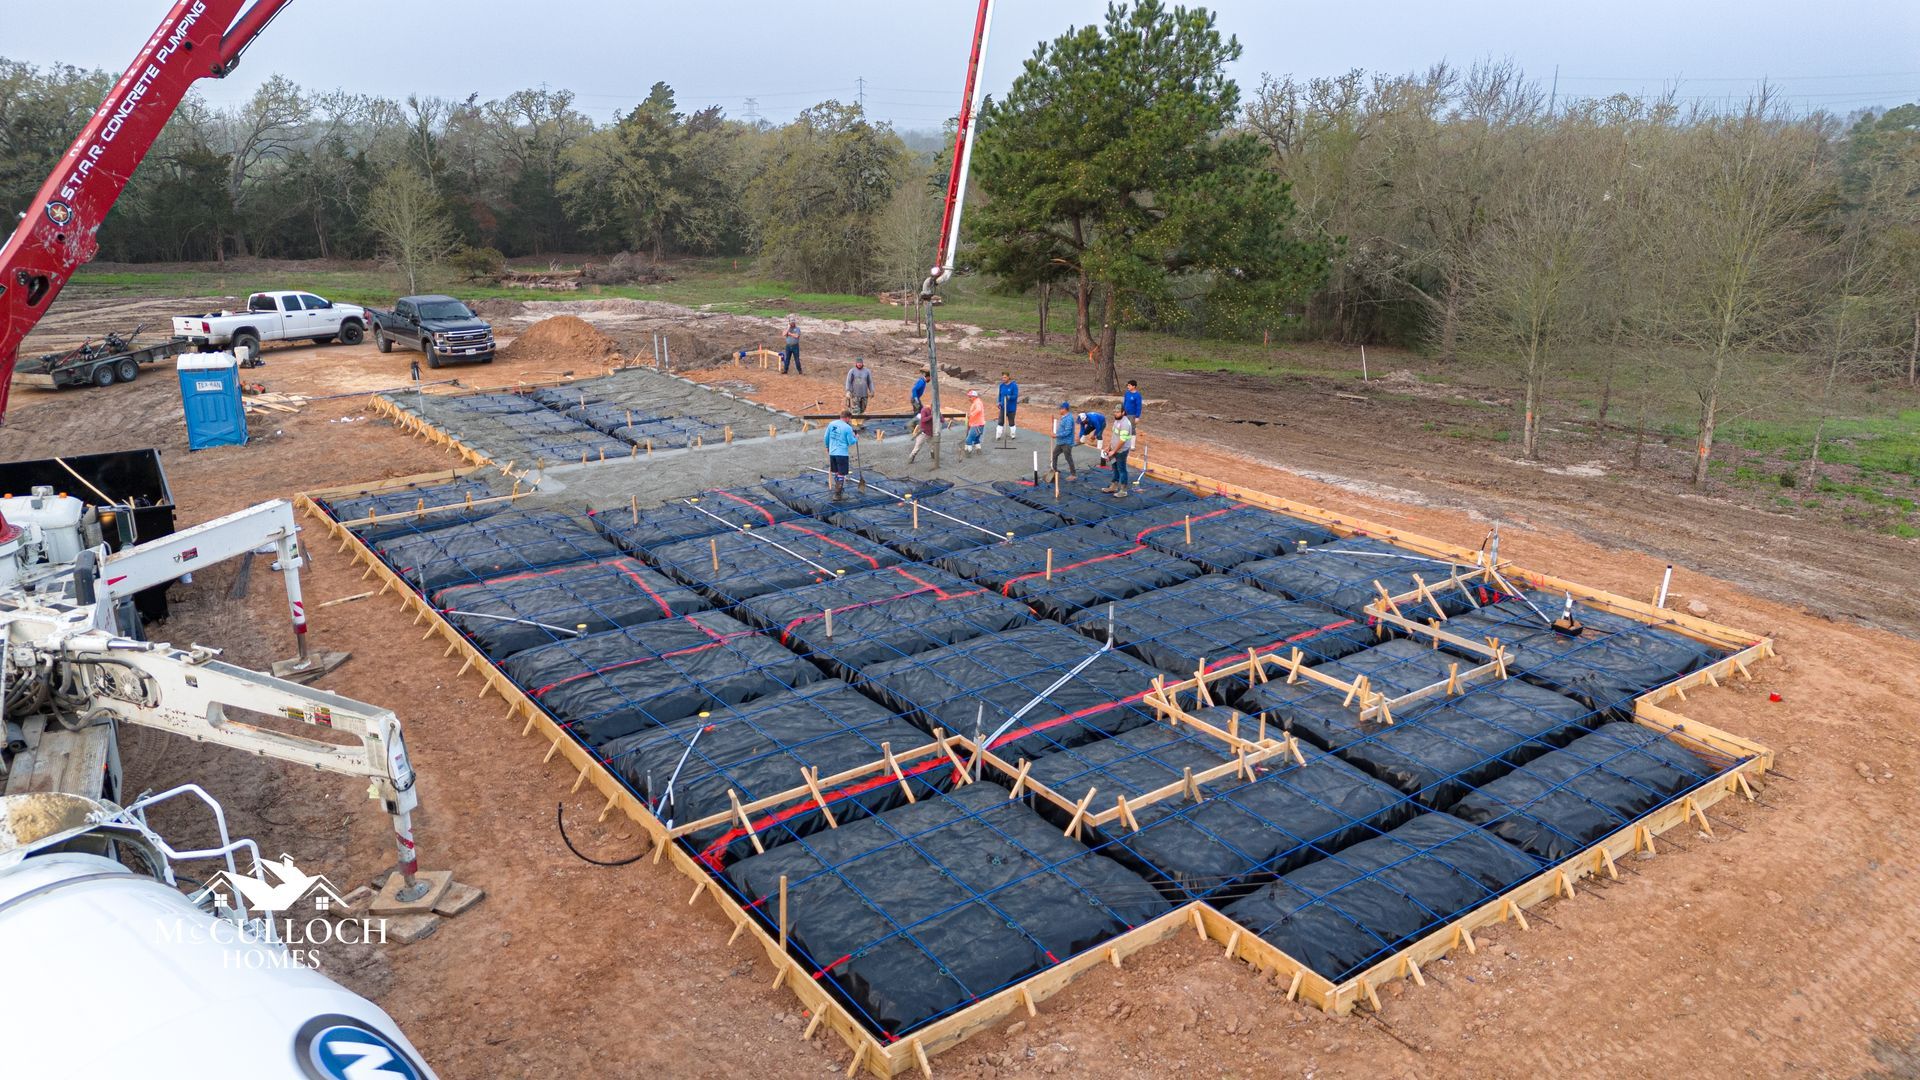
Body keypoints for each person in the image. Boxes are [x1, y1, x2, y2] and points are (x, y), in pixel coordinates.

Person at [824, 409, 858, 499]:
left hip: (833, 452)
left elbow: (826, 437)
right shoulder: (847, 428)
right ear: (847, 418)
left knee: (837, 472)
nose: (849, 421)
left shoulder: (831, 424)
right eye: (849, 419)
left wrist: (827, 446)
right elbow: (850, 442)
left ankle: (838, 490)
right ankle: (837, 494)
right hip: (842, 453)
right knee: (841, 473)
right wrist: (856, 438)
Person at [1101, 412, 1135, 496]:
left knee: (1122, 470)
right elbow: (1114, 436)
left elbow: (1123, 440)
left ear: (1123, 412)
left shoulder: (1125, 424)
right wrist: (1109, 447)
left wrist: (1114, 451)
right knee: (1115, 468)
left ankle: (1123, 490)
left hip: (1121, 451)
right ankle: (1114, 486)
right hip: (1114, 449)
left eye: (1117, 412)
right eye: (1115, 412)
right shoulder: (1117, 421)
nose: (1115, 414)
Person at [1051, 401, 1078, 478]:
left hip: (1067, 442)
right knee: (1054, 454)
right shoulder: (1064, 417)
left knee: (1068, 458)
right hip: (1060, 442)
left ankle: (1073, 474)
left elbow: (1068, 432)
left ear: (1064, 409)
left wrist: (1056, 435)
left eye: (1060, 409)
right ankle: (1055, 470)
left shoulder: (1069, 418)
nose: (1059, 410)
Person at [996, 371, 1020, 438]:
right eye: (1003, 377)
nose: (1003, 379)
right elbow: (1000, 395)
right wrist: (999, 402)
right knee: (1000, 421)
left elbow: (1015, 395)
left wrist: (1010, 397)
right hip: (1003, 406)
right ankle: (998, 435)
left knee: (1011, 422)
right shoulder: (1001, 385)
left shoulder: (1014, 385)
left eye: (1005, 377)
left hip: (1011, 407)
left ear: (1008, 377)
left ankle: (1013, 434)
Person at [964, 389, 987, 455]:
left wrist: (971, 414)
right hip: (978, 424)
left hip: (976, 424)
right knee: (976, 439)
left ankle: (968, 452)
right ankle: (978, 450)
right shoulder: (977, 402)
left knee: (969, 439)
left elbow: (978, 409)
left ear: (974, 396)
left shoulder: (977, 402)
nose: (969, 398)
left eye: (970, 397)